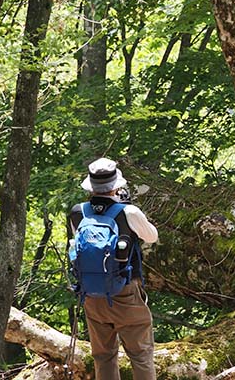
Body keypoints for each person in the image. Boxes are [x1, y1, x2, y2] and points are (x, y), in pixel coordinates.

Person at [68, 157, 159, 380]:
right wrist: (127, 206)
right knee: (141, 354)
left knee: (103, 356)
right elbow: (152, 237)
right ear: (116, 185)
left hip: (92, 295)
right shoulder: (128, 212)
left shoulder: (78, 212)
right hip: (125, 291)